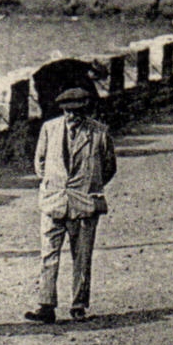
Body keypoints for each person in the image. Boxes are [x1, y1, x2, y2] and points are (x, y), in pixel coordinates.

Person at [25, 87, 117, 324]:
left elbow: (108, 168)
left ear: (85, 111)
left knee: (82, 257)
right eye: (67, 112)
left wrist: (86, 187)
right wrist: (55, 185)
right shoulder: (49, 129)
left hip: (84, 204)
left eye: (76, 112)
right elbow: (40, 163)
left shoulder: (99, 133)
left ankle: (78, 305)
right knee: (48, 255)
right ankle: (46, 305)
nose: (71, 117)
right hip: (53, 202)